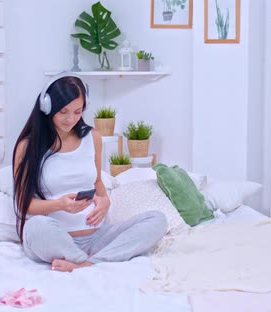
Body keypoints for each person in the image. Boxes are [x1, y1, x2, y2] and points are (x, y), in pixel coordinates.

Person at [12, 72, 167, 272]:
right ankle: (92, 261)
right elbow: (23, 205)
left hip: (96, 236)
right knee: (36, 227)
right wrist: (60, 205)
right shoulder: (28, 146)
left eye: (77, 112)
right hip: (55, 237)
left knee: (156, 220)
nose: (70, 119)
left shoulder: (92, 137)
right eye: (63, 112)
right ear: (47, 107)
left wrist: (105, 201)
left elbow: (98, 184)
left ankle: (86, 264)